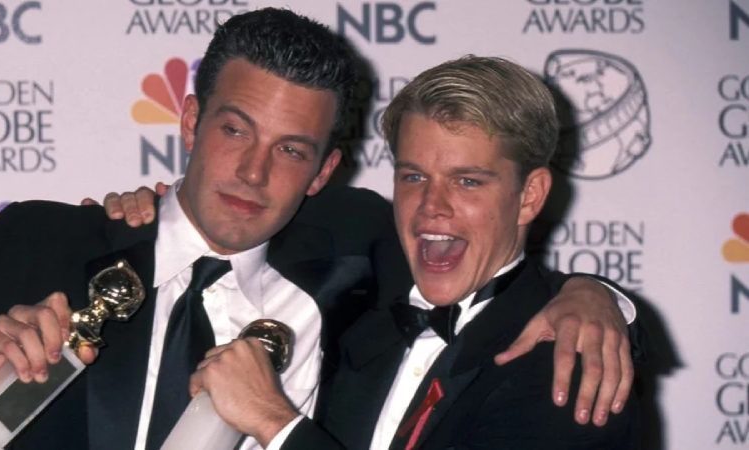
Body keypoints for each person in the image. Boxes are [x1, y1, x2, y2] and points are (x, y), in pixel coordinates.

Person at [0, 9, 633, 450]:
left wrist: (592, 296)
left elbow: (486, 265)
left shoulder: (360, 257)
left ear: (325, 171)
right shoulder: (44, 242)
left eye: (291, 150)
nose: (254, 173)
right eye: (235, 131)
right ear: (192, 121)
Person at [132, 56, 641, 449]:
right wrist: (138, 215)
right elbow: (228, 214)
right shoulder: (364, 305)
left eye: (467, 181)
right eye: (414, 176)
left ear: (529, 196)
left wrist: (274, 422)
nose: (431, 206)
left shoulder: (571, 365)